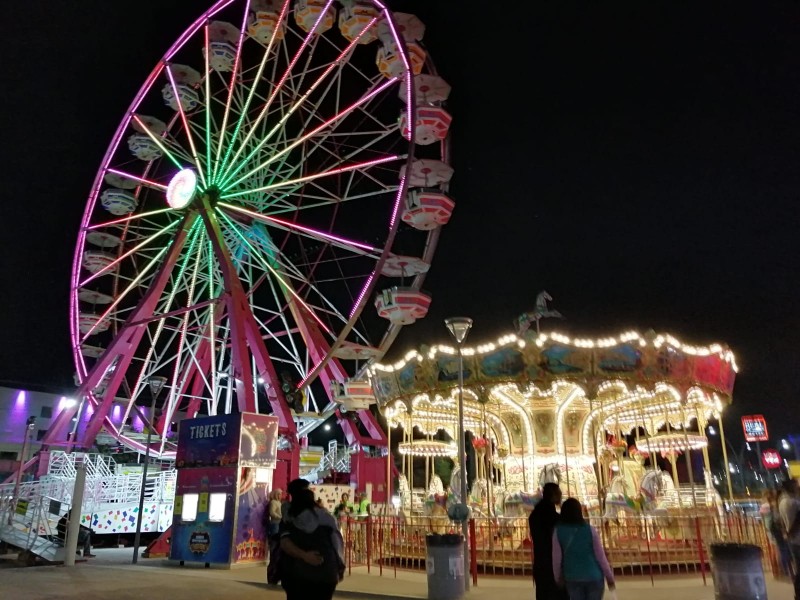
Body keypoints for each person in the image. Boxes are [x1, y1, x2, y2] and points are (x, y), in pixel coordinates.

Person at [279, 488, 345, 600]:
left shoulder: (290, 519)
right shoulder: (327, 519)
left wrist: (304, 555)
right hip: (327, 573)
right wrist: (340, 566)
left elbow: (285, 543)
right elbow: (337, 544)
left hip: (300, 575)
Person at [552, 498, 615, 600]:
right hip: (594, 576)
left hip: (572, 576)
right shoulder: (590, 530)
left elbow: (556, 559)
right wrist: (609, 577)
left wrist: (557, 578)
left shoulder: (558, 532)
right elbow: (601, 557)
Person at [529, 482, 567, 600]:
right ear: (553, 495)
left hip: (540, 562)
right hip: (554, 563)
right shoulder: (555, 518)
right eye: (559, 493)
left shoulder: (535, 514)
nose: (561, 495)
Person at [762, 488, 792, 578]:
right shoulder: (772, 505)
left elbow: (764, 517)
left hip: (770, 528)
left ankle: (779, 570)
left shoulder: (765, 506)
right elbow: (777, 518)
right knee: (782, 549)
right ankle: (784, 569)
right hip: (775, 529)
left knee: (778, 549)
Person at [779, 478, 800, 597]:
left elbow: (781, 521)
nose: (797, 487)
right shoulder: (793, 502)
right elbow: (798, 520)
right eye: (795, 485)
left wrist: (786, 532)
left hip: (792, 540)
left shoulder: (782, 502)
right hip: (797, 539)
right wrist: (791, 532)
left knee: (797, 567)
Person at [265, 488, 284, 585]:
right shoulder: (273, 502)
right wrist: (281, 517)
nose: (281, 496)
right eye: (280, 494)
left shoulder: (279, 503)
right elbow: (272, 513)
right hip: (274, 525)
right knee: (274, 546)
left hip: (279, 525)